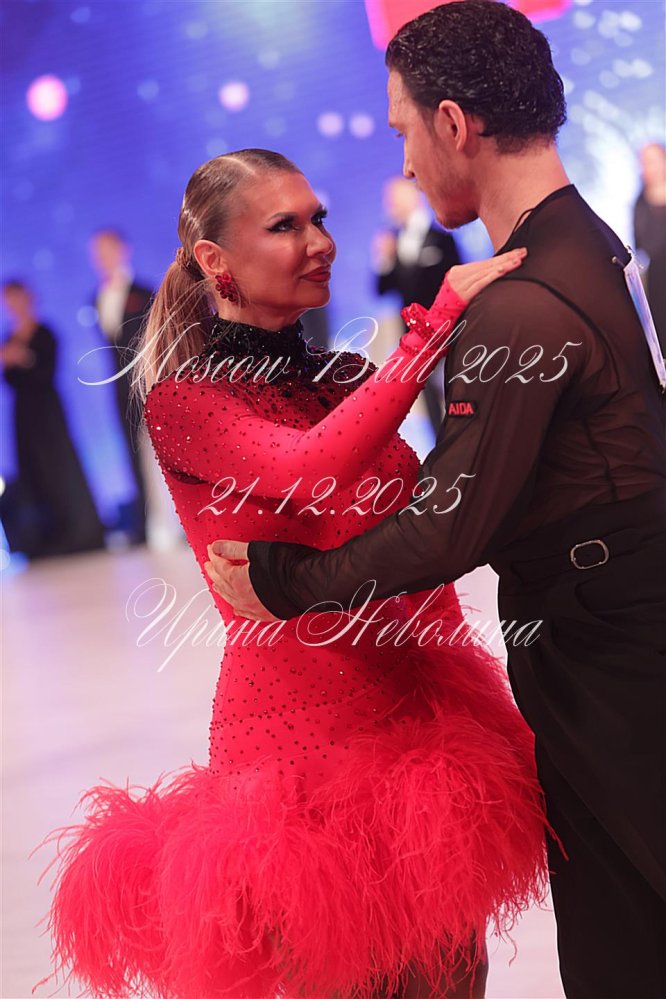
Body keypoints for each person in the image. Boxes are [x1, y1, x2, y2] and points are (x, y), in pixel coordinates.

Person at [204, 5, 666, 999]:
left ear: (454, 123)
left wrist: (286, 579)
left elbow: (453, 522)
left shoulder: (521, 299)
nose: (406, 162)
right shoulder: (589, 244)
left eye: (405, 131)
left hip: (612, 657)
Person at [30, 148, 548, 999]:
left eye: (320, 219)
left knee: (455, 980)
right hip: (295, 756)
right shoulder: (187, 403)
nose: (320, 242)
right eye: (285, 225)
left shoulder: (345, 378)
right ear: (215, 260)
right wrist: (431, 331)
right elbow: (309, 467)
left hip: (414, 727)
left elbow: (421, 527)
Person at [0, 280, 105, 558]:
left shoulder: (44, 332)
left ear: (27, 298)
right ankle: (45, 538)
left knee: (58, 466)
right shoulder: (9, 338)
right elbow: (10, 380)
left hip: (47, 411)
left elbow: (46, 372)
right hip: (23, 414)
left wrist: (24, 358)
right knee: (33, 469)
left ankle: (78, 533)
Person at [373, 175, 461, 433]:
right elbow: (381, 289)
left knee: (455, 389)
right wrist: (383, 259)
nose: (390, 205)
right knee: (426, 396)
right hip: (413, 336)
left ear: (414, 197)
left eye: (394, 198)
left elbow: (457, 281)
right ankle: (439, 444)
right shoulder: (391, 241)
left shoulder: (442, 239)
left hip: (446, 331)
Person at [89, 227, 153, 544]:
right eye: (97, 252)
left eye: (107, 249)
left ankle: (175, 516)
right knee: (131, 451)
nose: (102, 258)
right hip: (118, 385)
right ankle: (144, 522)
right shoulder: (96, 298)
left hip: (147, 380)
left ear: (123, 250)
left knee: (158, 449)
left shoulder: (143, 292)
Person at [633, 142, 666, 356]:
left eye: (653, 161)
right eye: (644, 162)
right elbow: (641, 245)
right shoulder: (641, 202)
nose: (648, 167)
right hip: (659, 280)